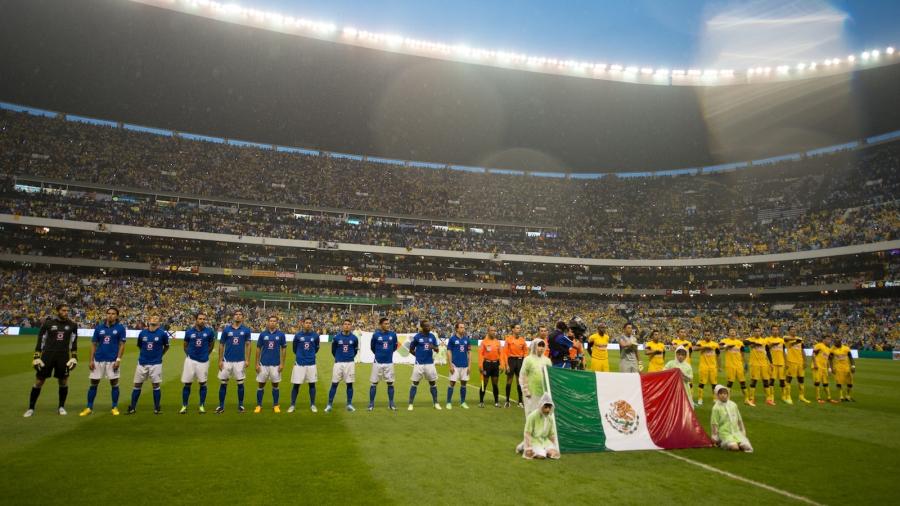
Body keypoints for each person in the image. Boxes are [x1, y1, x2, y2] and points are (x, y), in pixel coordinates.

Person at [25, 303, 79, 417]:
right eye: (63, 310)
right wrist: (36, 356)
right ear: (57, 311)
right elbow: (41, 339)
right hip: (47, 355)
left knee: (63, 381)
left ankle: (61, 407)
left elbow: (74, 341)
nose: (66, 312)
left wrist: (74, 356)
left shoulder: (73, 325)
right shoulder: (48, 324)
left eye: (67, 310)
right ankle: (31, 408)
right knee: (39, 381)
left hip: (63, 356)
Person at [80, 306, 126, 416]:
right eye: (109, 313)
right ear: (106, 314)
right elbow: (93, 344)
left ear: (117, 316)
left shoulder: (120, 328)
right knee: (93, 383)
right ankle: (89, 407)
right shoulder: (99, 328)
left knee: (114, 383)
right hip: (98, 359)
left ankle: (114, 407)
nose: (110, 315)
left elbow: (122, 345)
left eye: (113, 313)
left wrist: (118, 359)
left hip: (112, 360)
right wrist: (91, 360)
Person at [126, 314, 169, 415]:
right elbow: (140, 346)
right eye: (153, 317)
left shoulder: (162, 334)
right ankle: (132, 407)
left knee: (156, 385)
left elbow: (166, 347)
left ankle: (157, 408)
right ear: (149, 320)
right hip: (142, 363)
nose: (154, 318)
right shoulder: (142, 333)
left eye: (157, 318)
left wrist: (159, 355)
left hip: (156, 363)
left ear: (159, 322)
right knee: (137, 384)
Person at [516, 338, 553, 454]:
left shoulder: (547, 361)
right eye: (539, 345)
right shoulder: (528, 360)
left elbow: (550, 377)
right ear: (534, 346)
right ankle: (528, 446)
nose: (541, 348)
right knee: (531, 419)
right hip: (531, 395)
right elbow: (522, 375)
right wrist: (525, 390)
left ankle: (534, 445)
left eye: (543, 346)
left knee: (543, 420)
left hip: (544, 395)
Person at [215, 309, 252, 414]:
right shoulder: (226, 330)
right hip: (226, 361)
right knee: (223, 383)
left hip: (240, 361)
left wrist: (247, 359)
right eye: (236, 314)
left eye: (240, 314)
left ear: (243, 317)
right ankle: (221, 406)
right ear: (233, 317)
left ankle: (240, 405)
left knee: (240, 384)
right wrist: (220, 360)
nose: (238, 316)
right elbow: (221, 344)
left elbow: (248, 345)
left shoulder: (246, 330)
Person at [180, 312, 216, 415]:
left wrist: (205, 354)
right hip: (190, 361)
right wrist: (190, 355)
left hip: (203, 361)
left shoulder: (209, 332)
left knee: (203, 383)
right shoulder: (189, 332)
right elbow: (185, 345)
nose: (202, 320)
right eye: (200, 319)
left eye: (204, 319)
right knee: (187, 383)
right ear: (196, 320)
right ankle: (184, 406)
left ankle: (201, 405)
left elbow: (211, 345)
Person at [254, 315, 286, 413]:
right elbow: (258, 348)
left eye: (274, 321)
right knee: (261, 385)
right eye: (270, 321)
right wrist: (256, 363)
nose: (272, 322)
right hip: (263, 364)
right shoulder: (263, 334)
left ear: (277, 323)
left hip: (276, 364)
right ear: (268, 322)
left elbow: (284, 348)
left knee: (275, 385)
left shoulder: (281, 335)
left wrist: (282, 364)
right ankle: (259, 405)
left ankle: (275, 405)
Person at [407, 320, 441, 411]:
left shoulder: (432, 336)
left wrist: (433, 347)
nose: (429, 327)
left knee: (433, 383)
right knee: (415, 383)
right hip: (419, 364)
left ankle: (436, 403)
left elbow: (437, 350)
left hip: (429, 363)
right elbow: (411, 350)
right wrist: (418, 356)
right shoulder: (417, 337)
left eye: (429, 326)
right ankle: (410, 404)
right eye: (426, 326)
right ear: (422, 327)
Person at [326, 319, 359, 412]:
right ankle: (329, 404)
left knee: (349, 384)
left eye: (349, 324)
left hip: (350, 363)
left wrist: (350, 357)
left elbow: (355, 351)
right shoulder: (336, 338)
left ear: (351, 326)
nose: (347, 326)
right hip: (338, 363)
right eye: (345, 324)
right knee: (334, 384)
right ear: (342, 326)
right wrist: (338, 358)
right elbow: (333, 351)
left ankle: (349, 404)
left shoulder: (354, 338)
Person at [290, 317, 320, 413]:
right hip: (299, 363)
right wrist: (300, 356)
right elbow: (294, 349)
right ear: (303, 324)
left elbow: (316, 348)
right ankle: (292, 405)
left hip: (311, 363)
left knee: (312, 384)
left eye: (310, 323)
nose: (308, 324)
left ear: (312, 324)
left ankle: (312, 405)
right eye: (306, 322)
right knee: (296, 385)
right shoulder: (298, 335)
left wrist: (310, 356)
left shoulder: (315, 336)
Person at [710, 385, 753, 453]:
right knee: (735, 448)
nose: (723, 395)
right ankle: (721, 443)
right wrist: (715, 435)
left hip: (735, 432)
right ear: (717, 395)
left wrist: (742, 430)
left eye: (725, 393)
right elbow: (714, 423)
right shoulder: (716, 408)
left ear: (727, 394)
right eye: (720, 394)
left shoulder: (733, 405)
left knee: (746, 446)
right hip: (725, 433)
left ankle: (738, 442)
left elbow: (739, 419)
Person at [369, 317, 398, 411]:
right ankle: (371, 403)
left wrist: (387, 354)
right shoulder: (376, 335)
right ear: (380, 325)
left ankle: (391, 403)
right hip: (377, 362)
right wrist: (379, 354)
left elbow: (394, 347)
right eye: (385, 323)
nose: (387, 325)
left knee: (390, 383)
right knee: (374, 383)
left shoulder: (393, 335)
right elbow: (372, 347)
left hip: (389, 363)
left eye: (388, 323)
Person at [522, 394, 560, 460]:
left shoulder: (549, 419)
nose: (548, 410)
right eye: (546, 407)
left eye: (549, 407)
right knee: (542, 456)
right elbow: (527, 433)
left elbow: (551, 434)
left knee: (555, 454)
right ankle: (523, 446)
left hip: (545, 441)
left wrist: (553, 447)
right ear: (541, 406)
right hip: (534, 440)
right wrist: (529, 446)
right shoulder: (532, 416)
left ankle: (544, 450)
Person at [744, 325, 773, 406]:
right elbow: (744, 342)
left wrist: (771, 362)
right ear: (753, 332)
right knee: (754, 381)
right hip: (754, 364)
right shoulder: (750, 339)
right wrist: (753, 343)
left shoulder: (764, 341)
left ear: (761, 332)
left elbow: (768, 352)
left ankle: (768, 399)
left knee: (766, 381)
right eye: (755, 331)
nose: (757, 332)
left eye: (758, 331)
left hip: (764, 364)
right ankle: (751, 398)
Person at [720, 328, 749, 404]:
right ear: (728, 333)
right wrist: (727, 346)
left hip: (739, 365)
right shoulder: (724, 341)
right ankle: (727, 399)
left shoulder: (739, 342)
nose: (733, 333)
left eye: (734, 332)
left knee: (742, 382)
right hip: (730, 365)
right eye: (731, 332)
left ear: (736, 333)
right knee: (730, 383)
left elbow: (742, 354)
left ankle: (746, 399)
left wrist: (745, 364)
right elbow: (719, 347)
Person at [479, 325, 505, 407]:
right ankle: (481, 402)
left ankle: (496, 402)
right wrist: (480, 365)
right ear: (488, 331)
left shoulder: (498, 342)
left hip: (495, 364)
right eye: (492, 330)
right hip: (486, 364)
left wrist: (502, 365)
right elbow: (481, 354)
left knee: (495, 383)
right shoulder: (484, 342)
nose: (493, 332)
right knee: (485, 383)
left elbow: (501, 354)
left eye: (494, 330)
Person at [446, 322, 471, 410]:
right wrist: (450, 365)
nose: (463, 329)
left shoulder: (466, 339)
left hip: (465, 365)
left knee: (464, 383)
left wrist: (469, 366)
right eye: (461, 327)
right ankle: (448, 402)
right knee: (452, 383)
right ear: (457, 329)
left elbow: (469, 353)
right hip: (455, 365)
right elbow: (449, 352)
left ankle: (463, 402)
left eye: (463, 327)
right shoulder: (452, 339)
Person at [783, 325, 810, 404]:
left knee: (801, 380)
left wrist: (805, 361)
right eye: (792, 330)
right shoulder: (786, 338)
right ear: (789, 331)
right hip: (791, 362)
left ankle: (801, 396)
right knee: (789, 379)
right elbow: (785, 339)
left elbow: (802, 350)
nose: (793, 331)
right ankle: (787, 396)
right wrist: (796, 340)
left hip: (800, 362)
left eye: (794, 329)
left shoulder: (800, 339)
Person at [504, 323, 528, 408]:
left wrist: (524, 359)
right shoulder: (508, 339)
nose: (519, 329)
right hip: (511, 361)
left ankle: (520, 401)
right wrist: (506, 365)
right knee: (509, 380)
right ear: (513, 330)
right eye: (517, 328)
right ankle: (507, 400)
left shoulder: (522, 340)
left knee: (520, 381)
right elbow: (505, 353)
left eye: (519, 328)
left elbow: (525, 351)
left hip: (520, 361)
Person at [694, 329, 720, 406]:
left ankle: (715, 399)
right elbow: (694, 348)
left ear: (711, 335)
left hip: (713, 367)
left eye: (708, 335)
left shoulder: (715, 344)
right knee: (702, 383)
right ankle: (700, 399)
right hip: (703, 367)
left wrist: (719, 366)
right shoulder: (700, 343)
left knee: (714, 384)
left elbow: (718, 355)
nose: (707, 336)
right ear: (703, 335)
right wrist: (704, 347)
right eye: (705, 335)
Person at [767, 325, 789, 404]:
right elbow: (766, 349)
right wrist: (772, 345)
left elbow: (783, 352)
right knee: (771, 380)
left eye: (776, 330)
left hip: (781, 363)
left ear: (778, 331)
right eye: (773, 330)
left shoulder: (781, 340)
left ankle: (783, 396)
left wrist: (786, 362)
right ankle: (771, 396)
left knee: (782, 381)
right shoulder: (768, 339)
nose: (775, 331)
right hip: (772, 363)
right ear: (771, 331)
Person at [830, 338, 856, 402]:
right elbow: (830, 359)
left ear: (840, 343)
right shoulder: (832, 349)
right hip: (838, 368)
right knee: (839, 383)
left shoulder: (846, 348)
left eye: (836, 343)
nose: (835, 344)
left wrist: (853, 366)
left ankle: (847, 396)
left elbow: (850, 357)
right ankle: (841, 396)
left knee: (850, 383)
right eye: (834, 343)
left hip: (847, 367)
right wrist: (831, 368)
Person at [812, 335, 834, 404]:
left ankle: (829, 398)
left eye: (830, 340)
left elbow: (827, 359)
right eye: (828, 339)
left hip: (824, 368)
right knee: (817, 382)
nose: (829, 341)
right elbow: (813, 355)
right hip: (817, 367)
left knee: (826, 383)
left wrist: (829, 368)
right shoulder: (819, 345)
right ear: (824, 340)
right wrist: (815, 364)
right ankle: (818, 398)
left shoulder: (828, 349)